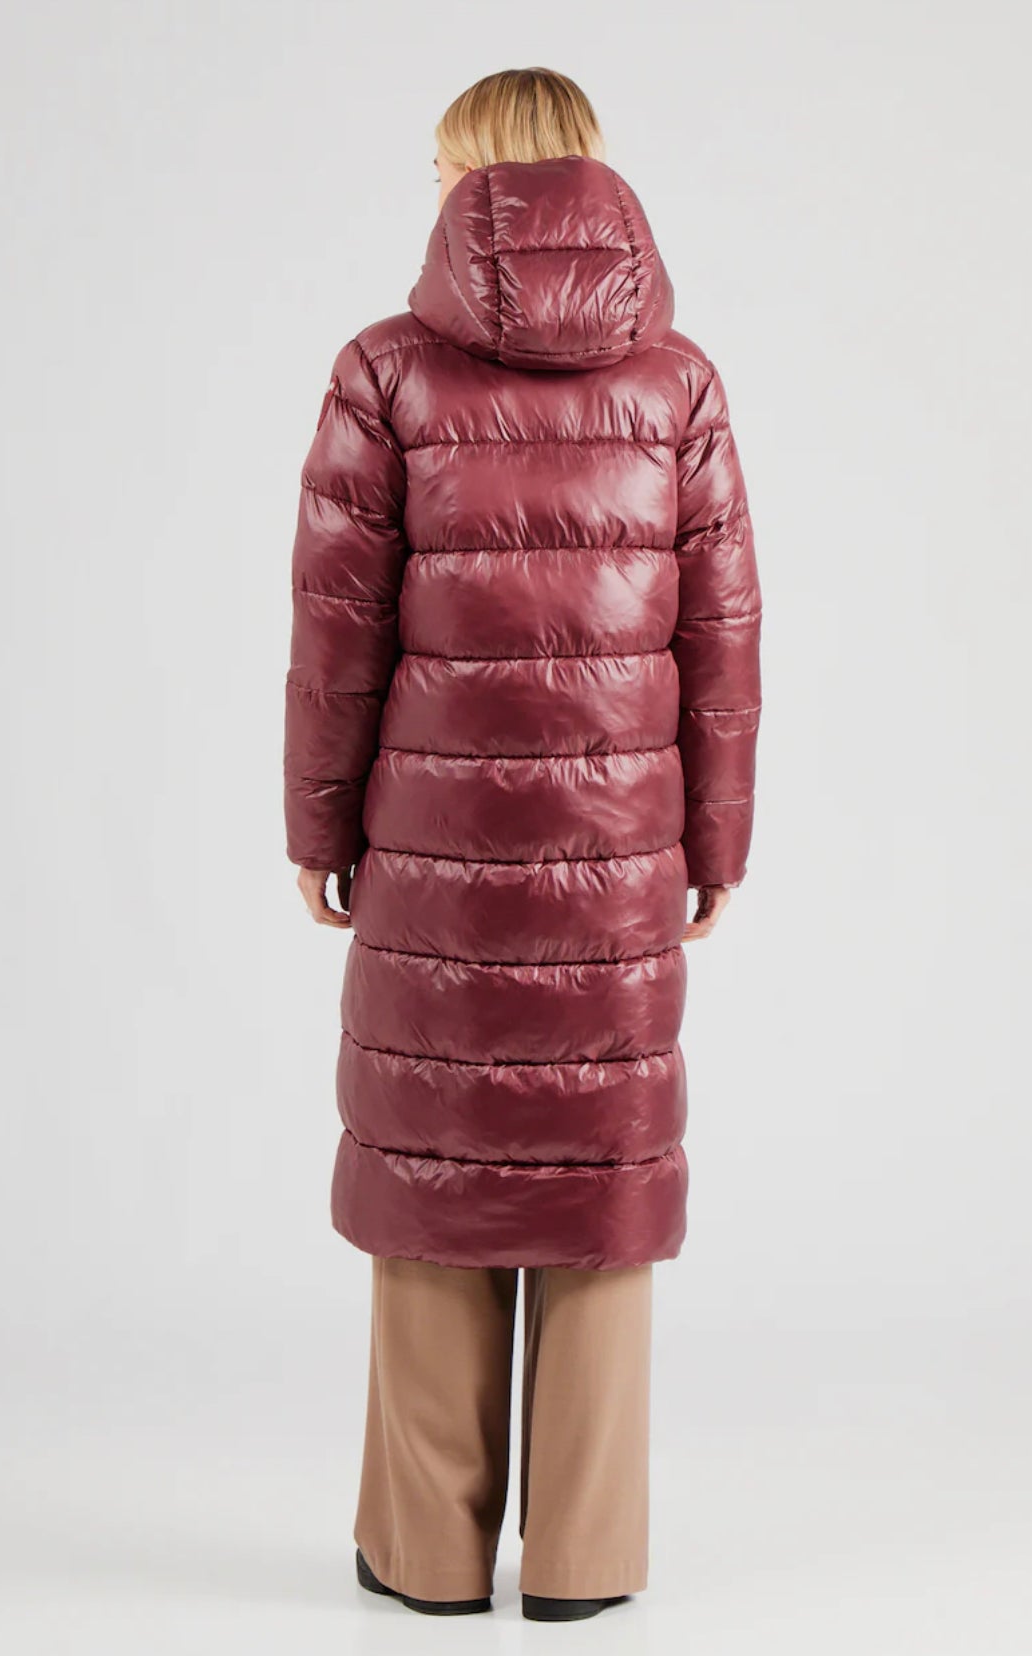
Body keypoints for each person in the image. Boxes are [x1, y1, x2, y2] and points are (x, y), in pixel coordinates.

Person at [283, 67, 761, 1622]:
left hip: (433, 853)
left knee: (440, 1165)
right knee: (596, 1171)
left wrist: (316, 824)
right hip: (619, 860)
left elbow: (337, 634)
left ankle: (424, 1555)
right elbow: (723, 639)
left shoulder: (385, 374)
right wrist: (715, 842)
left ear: (475, 180)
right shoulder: (677, 383)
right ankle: (582, 1561)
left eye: (442, 168)